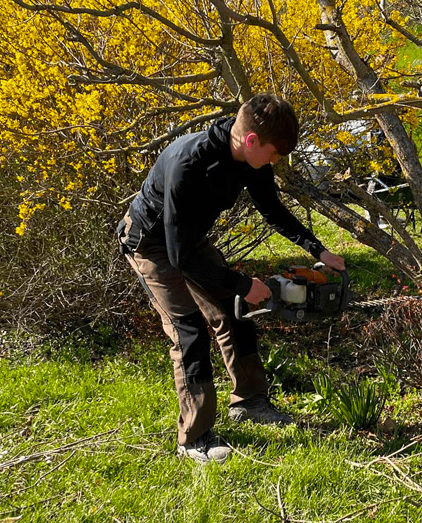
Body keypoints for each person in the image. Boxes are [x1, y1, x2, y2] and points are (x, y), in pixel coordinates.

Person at [118, 93, 346, 465]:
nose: (275, 162)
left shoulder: (250, 161)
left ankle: (250, 402)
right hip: (151, 243)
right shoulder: (188, 164)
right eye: (274, 154)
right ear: (252, 140)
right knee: (188, 328)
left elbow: (272, 209)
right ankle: (194, 438)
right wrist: (242, 282)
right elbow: (178, 258)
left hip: (186, 240)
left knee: (234, 309)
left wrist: (317, 250)